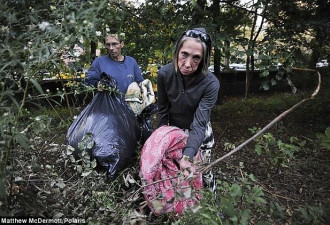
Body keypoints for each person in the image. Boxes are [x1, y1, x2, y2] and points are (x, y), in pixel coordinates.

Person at [156, 27, 220, 191]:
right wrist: (160, 140)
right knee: (173, 172)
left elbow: (199, 122)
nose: (187, 64)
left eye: (196, 58)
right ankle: (181, 207)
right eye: (184, 54)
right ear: (177, 51)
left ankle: (211, 202)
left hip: (200, 132)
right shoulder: (164, 74)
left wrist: (188, 154)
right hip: (173, 130)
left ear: (203, 60)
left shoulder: (211, 84)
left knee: (203, 171)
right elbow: (162, 110)